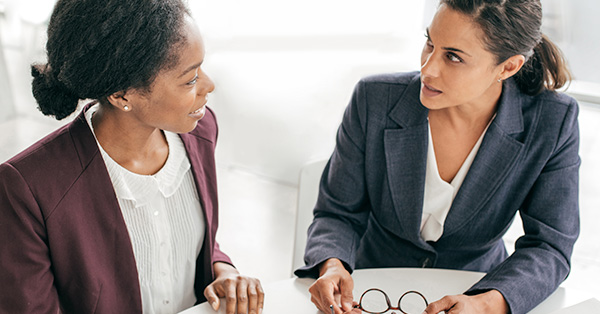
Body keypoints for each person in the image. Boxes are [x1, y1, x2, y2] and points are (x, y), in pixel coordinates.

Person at [295, 1, 579, 314]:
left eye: (453, 56)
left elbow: (549, 246)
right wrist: (333, 266)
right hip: (370, 295)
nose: (427, 68)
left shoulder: (553, 121)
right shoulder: (374, 99)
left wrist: (487, 304)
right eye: (430, 43)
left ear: (508, 67)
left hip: (474, 289)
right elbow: (338, 214)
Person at [0, 1, 264, 313]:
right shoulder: (28, 188)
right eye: (190, 79)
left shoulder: (201, 132)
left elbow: (191, 245)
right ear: (122, 94)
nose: (209, 85)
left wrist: (224, 271)